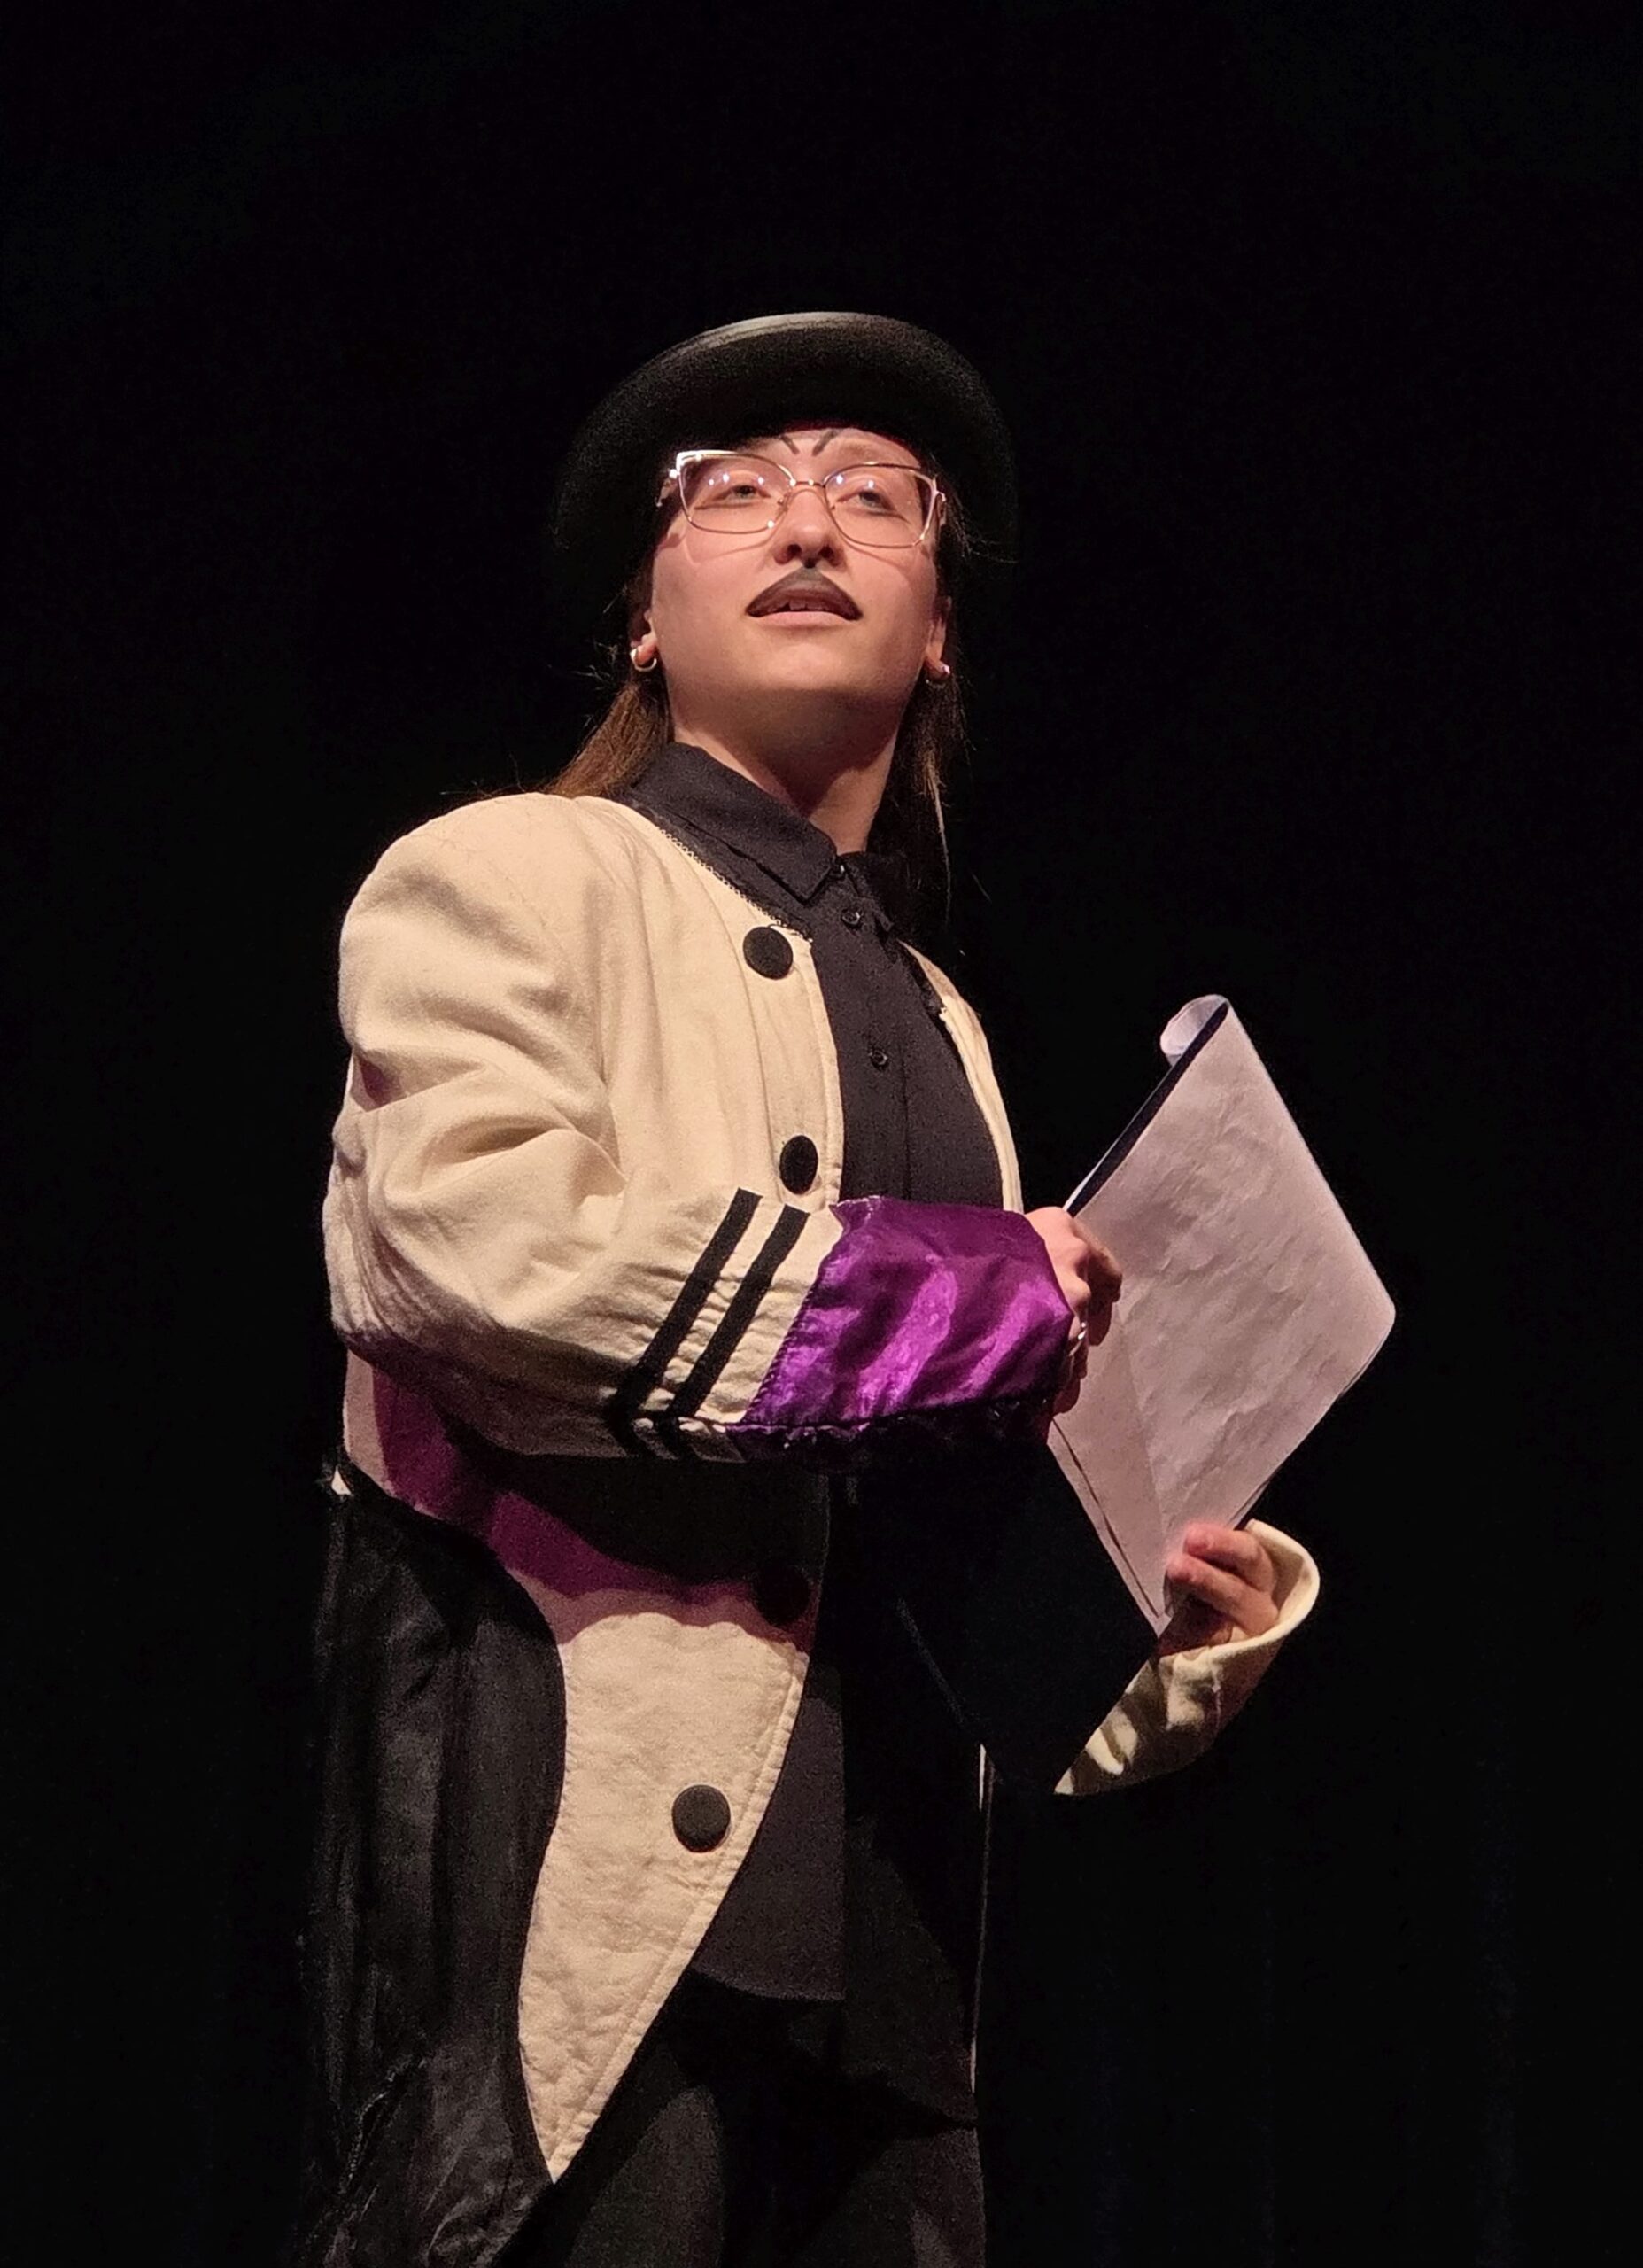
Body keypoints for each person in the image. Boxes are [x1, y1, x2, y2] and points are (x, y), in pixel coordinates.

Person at [299, 313, 1319, 2268]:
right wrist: (972, 1296)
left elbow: (914, 1547)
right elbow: (465, 1250)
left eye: (873, 493)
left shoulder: (942, 1019)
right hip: (595, 1918)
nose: (806, 521)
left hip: (894, 1964)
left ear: (940, 634)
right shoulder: (516, 872)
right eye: (734, 491)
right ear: (641, 620)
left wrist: (1147, 1608)